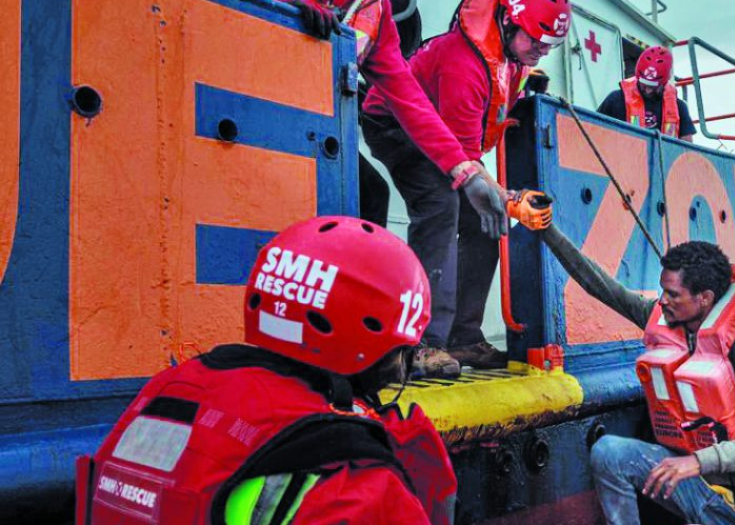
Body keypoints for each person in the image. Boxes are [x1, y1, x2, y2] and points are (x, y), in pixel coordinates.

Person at [77, 216, 456, 525]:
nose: (398, 371)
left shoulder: (170, 388)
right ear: (364, 347)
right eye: (400, 353)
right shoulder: (353, 477)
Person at [510, 199, 735, 524]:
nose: (663, 301)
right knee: (609, 453)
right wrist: (546, 230)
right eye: (663, 292)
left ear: (705, 299)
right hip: (692, 486)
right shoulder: (663, 319)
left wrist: (698, 461)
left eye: (674, 294)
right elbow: (600, 286)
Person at [358, 0, 573, 378]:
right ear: (508, 20)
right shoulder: (464, 64)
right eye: (536, 40)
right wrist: (506, 198)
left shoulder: (511, 56)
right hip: (391, 121)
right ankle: (422, 343)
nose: (541, 51)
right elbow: (463, 160)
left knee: (482, 218)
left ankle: (464, 335)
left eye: (549, 46)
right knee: (440, 205)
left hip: (441, 133)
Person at [288, 0, 501, 232]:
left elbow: (409, 99)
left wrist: (466, 175)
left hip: (307, 120)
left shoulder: (376, 13)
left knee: (371, 195)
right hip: (256, 107)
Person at [597, 46, 697, 142]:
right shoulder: (615, 100)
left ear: (664, 82)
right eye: (644, 85)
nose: (648, 91)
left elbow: (687, 150)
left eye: (653, 87)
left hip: (662, 159)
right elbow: (593, 129)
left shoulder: (679, 108)